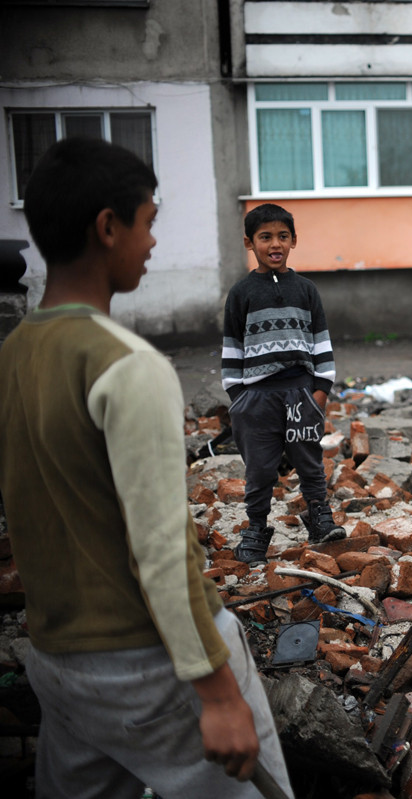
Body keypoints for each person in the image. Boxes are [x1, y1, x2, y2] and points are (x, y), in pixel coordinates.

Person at [0, 138, 293, 797]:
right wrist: (217, 690)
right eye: (148, 221)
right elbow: (160, 547)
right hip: (152, 666)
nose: (154, 242)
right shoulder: (128, 366)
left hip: (58, 658)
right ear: (108, 227)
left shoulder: (14, 352)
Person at [222, 202, 344, 564]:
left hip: (301, 392)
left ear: (293, 240)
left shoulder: (306, 290)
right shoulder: (241, 293)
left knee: (309, 460)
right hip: (256, 397)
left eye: (282, 236)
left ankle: (319, 517)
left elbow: (321, 341)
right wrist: (237, 396)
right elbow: (232, 346)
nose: (274, 244)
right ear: (249, 243)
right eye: (265, 237)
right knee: (259, 469)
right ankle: (257, 528)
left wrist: (321, 388)